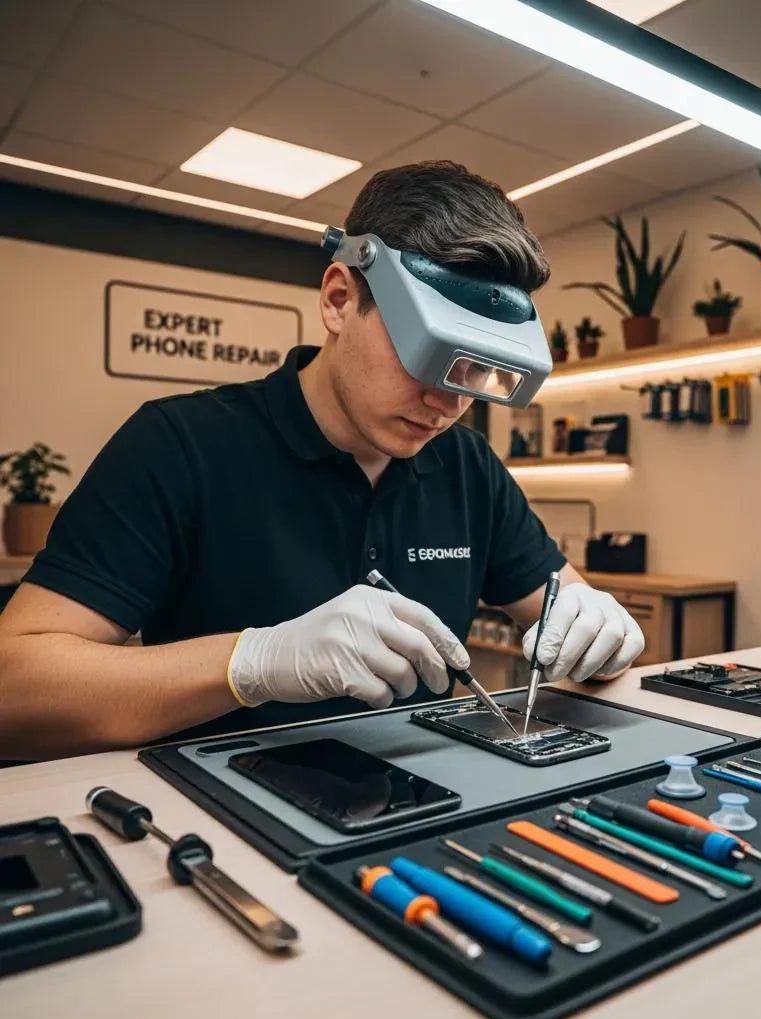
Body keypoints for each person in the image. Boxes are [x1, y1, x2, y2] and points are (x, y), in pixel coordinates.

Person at [0, 161, 644, 762]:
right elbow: (15, 689)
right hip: (217, 811)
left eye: (480, 371)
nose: (448, 401)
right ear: (339, 299)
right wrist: (254, 662)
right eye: (430, 355)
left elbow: (568, 616)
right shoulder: (179, 444)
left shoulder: (468, 467)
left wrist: (598, 631)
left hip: (421, 800)